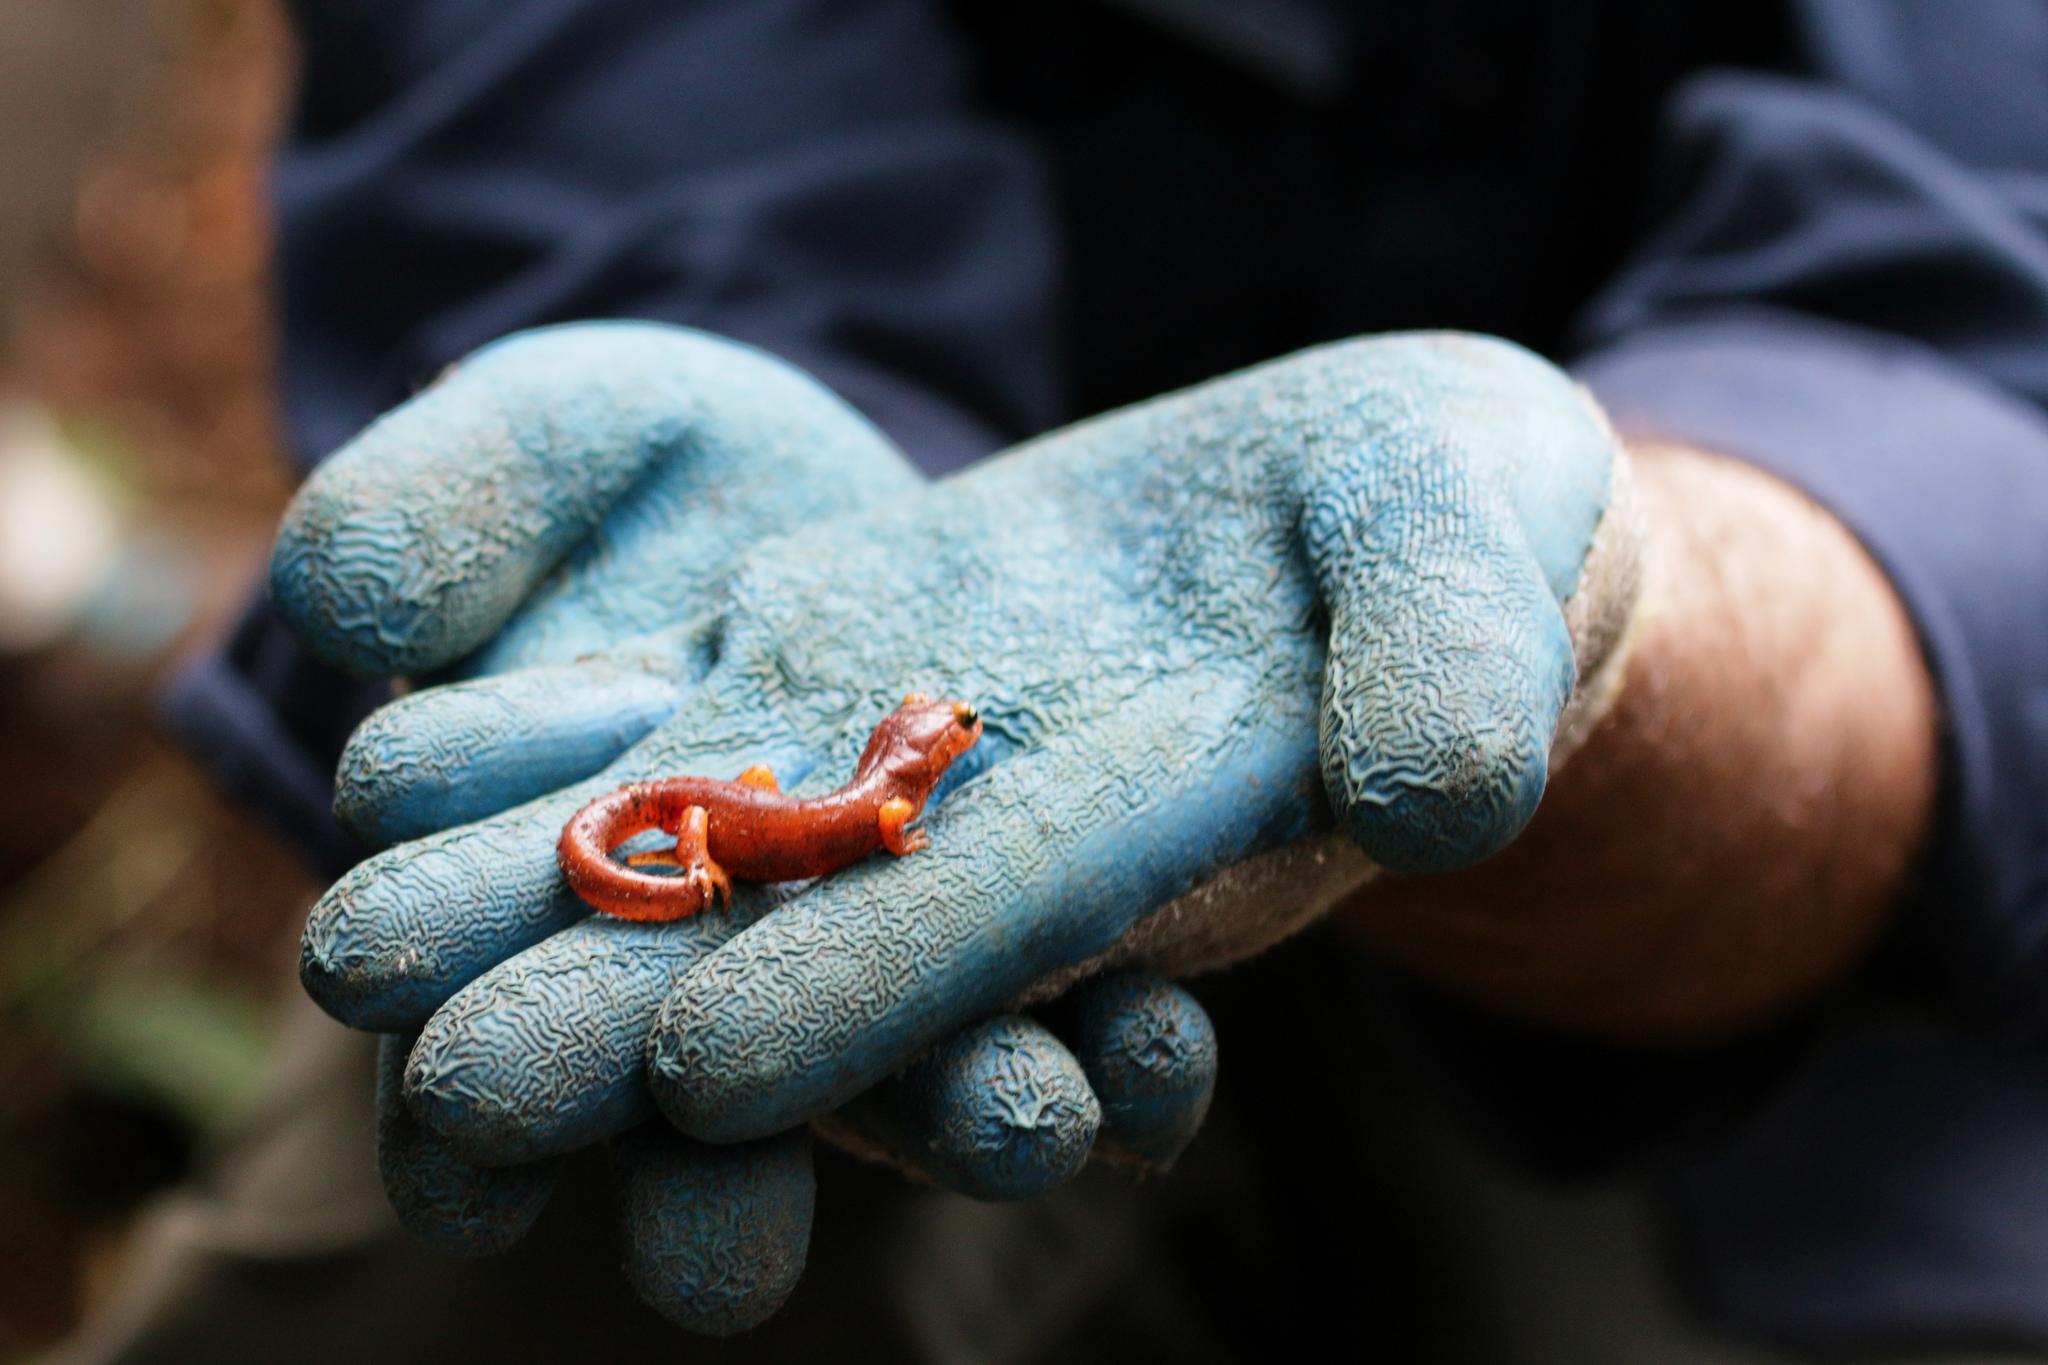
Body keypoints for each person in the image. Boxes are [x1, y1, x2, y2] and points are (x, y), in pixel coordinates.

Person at [56, 2, 2048, 1362]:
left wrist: (1633, 596)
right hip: (788, 695)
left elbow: (1985, 362)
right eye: (916, 751)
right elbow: (604, 165)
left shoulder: (888, 785)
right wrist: (771, 492)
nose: (915, 763)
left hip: (1816, 1035)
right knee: (524, 1215)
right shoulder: (857, 794)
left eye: (918, 754)